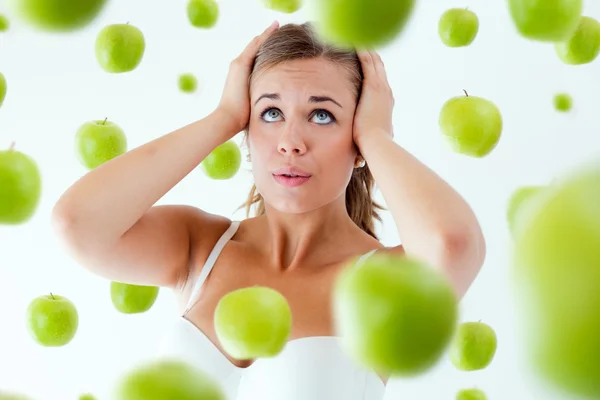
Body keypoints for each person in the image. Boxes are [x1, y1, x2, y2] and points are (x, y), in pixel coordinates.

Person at [51, 20, 486, 400]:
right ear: (248, 128)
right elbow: (78, 223)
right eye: (271, 111)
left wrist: (375, 137)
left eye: (321, 116)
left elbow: (452, 245)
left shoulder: (383, 282)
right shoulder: (199, 249)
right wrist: (222, 117)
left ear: (354, 141)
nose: (290, 141)